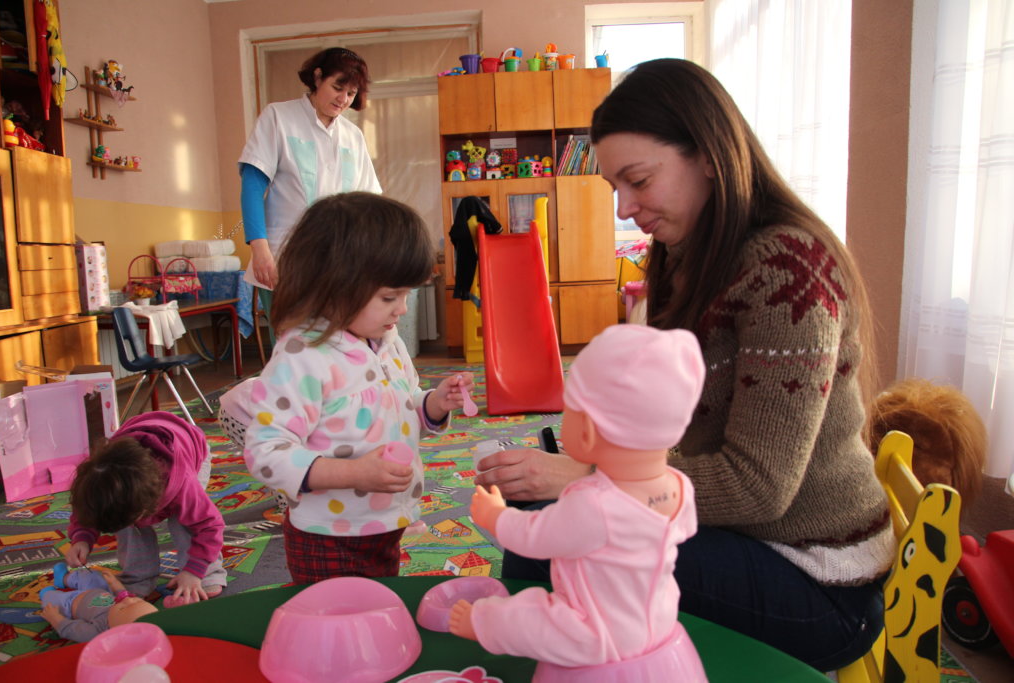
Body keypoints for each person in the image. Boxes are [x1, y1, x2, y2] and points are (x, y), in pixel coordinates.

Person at [473, 58, 894, 672]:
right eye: (614, 187)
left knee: (548, 541)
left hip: (816, 578)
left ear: (708, 155)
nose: (623, 207)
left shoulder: (788, 270)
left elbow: (758, 486)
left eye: (637, 181)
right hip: (748, 536)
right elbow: (657, 417)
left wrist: (583, 480)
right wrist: (585, 457)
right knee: (557, 519)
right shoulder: (685, 252)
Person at [240, 191, 472, 584]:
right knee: (335, 628)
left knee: (377, 610)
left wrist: (434, 403)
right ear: (333, 285)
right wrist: (354, 473)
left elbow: (403, 406)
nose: (402, 309)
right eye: (389, 297)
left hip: (384, 524)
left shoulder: (387, 340)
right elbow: (265, 453)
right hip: (327, 537)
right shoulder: (303, 357)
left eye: (406, 295)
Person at [449, 325, 705, 674]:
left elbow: (534, 535)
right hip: (657, 623)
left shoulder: (594, 504)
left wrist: (495, 516)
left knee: (530, 614)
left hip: (595, 633)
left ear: (586, 430)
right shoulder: (679, 486)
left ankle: (477, 622)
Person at [239, 47, 381, 326]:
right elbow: (253, 185)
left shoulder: (353, 136)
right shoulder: (278, 117)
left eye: (351, 93)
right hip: (285, 257)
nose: (343, 99)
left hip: (342, 263)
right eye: (337, 87)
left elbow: (369, 202)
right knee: (292, 352)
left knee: (340, 349)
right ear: (317, 77)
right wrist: (260, 249)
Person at [65, 412, 227, 607]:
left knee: (183, 520)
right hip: (139, 460)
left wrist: (194, 571)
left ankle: (208, 574)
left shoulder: (183, 485)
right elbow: (90, 506)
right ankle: (137, 578)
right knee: (124, 521)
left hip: (192, 451)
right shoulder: (99, 478)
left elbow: (209, 525)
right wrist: (82, 537)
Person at [39, 564, 158, 643]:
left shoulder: (97, 632)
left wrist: (55, 618)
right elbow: (122, 594)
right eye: (137, 600)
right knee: (91, 575)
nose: (128, 599)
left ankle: (46, 594)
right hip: (99, 591)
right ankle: (63, 578)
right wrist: (115, 583)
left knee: (50, 602)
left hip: (70, 604)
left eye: (123, 608)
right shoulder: (123, 606)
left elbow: (71, 629)